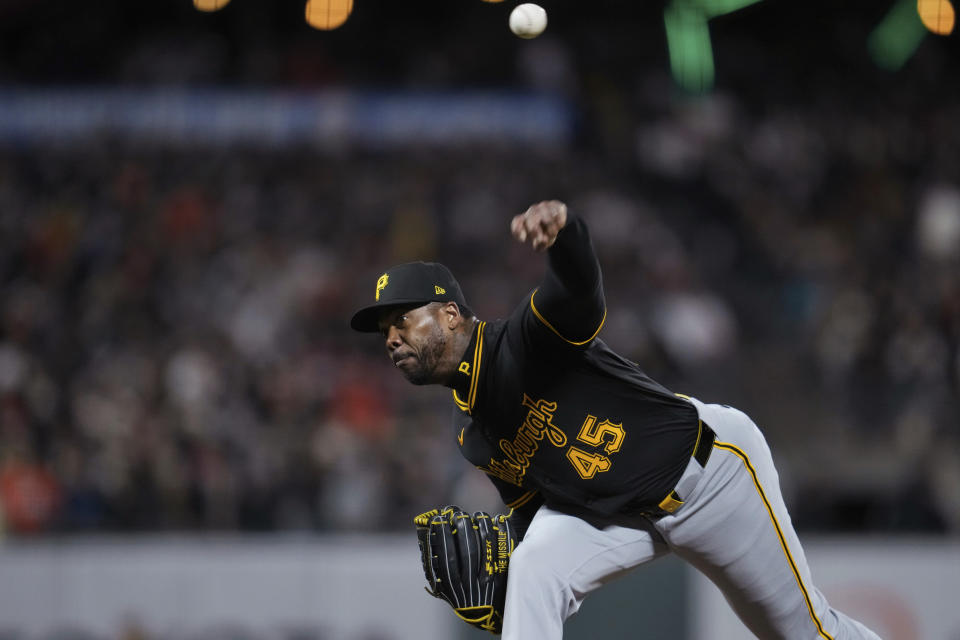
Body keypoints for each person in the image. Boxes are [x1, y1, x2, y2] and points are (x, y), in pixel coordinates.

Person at [350, 200, 881, 639]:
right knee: (534, 567)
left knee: (806, 634)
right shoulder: (473, 436)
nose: (392, 339)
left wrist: (567, 235)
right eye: (385, 333)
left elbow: (577, 293)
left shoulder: (525, 342)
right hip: (625, 515)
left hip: (709, 477)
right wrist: (501, 572)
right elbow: (536, 513)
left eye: (402, 320)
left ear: (449, 313)